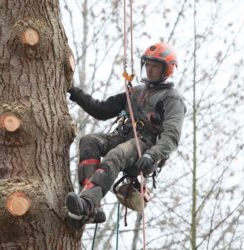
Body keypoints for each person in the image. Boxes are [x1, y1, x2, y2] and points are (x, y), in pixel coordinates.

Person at [65, 42, 186, 229]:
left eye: (155, 66)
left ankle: (86, 203)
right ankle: (90, 206)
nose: (150, 70)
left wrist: (151, 155)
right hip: (124, 137)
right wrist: (73, 91)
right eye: (148, 64)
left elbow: (171, 136)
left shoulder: (172, 98)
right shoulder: (136, 91)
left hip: (146, 148)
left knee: (117, 154)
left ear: (167, 70)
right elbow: (102, 110)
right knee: (89, 141)